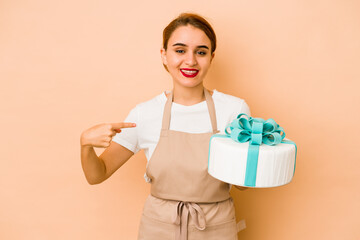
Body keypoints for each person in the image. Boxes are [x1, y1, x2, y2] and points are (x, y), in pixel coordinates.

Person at [80, 12, 250, 240]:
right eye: (180, 50)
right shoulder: (144, 114)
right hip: (158, 229)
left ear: (211, 57)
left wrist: (258, 150)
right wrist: (85, 145)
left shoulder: (234, 110)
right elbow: (97, 175)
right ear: (164, 55)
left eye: (201, 52)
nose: (190, 61)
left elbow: (243, 186)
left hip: (215, 228)